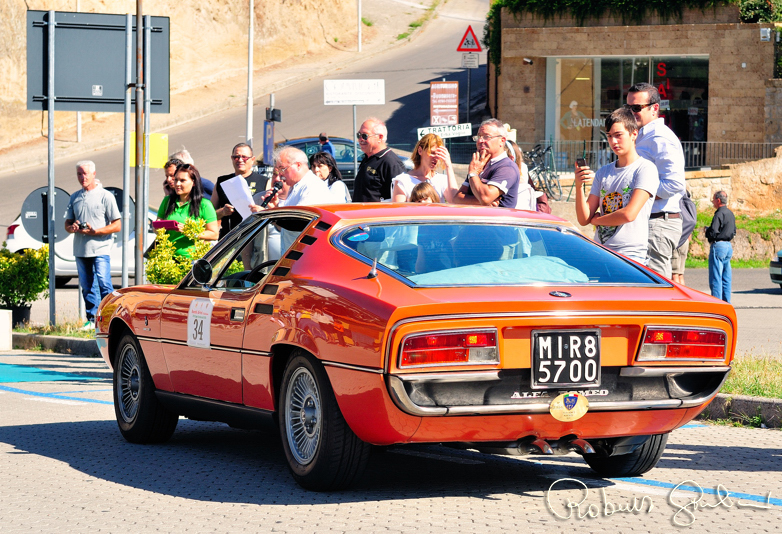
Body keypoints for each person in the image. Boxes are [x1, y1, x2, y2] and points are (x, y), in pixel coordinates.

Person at [574, 107, 659, 265]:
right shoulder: (603, 172)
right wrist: (579, 186)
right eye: (609, 136)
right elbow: (584, 218)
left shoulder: (645, 169)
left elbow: (628, 214)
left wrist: (598, 220)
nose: (613, 141)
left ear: (634, 134)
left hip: (630, 255)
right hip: (601, 252)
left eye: (618, 135)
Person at [626, 82, 686, 278]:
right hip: (649, 221)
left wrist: (642, 195)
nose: (631, 113)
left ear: (655, 108)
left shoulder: (660, 138)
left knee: (656, 286)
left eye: (636, 108)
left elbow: (675, 184)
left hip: (658, 222)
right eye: (628, 108)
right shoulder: (642, 136)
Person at [64, 160, 121, 330]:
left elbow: (117, 225)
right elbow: (67, 225)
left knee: (104, 283)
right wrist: (72, 227)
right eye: (79, 174)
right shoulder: (74, 197)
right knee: (87, 286)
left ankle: (110, 319)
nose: (83, 177)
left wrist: (95, 231)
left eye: (85, 173)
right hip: (81, 250)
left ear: (94, 174)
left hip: (101, 248)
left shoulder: (106, 196)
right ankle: (92, 319)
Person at [453, 119, 519, 208]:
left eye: (486, 137)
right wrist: (480, 202)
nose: (480, 141)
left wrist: (473, 174)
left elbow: (485, 197)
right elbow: (457, 199)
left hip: (496, 221)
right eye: (479, 136)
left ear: (502, 141)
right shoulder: (479, 166)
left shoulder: (507, 167)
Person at [156, 164, 219, 257]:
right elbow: (157, 227)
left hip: (192, 260)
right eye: (176, 180)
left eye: (182, 180)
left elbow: (214, 235)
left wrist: (190, 232)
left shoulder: (204, 205)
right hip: (168, 260)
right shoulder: (168, 201)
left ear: (193, 182)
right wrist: (159, 227)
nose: (177, 184)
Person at [213, 143, 269, 239]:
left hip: (253, 237)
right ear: (232, 158)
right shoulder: (222, 181)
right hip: (228, 238)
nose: (240, 160)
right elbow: (209, 216)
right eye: (236, 157)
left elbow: (271, 212)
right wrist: (222, 212)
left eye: (244, 157)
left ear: (252, 159)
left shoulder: (264, 181)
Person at [391, 133, 459, 203]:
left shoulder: (442, 180)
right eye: (432, 153)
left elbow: (455, 203)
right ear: (420, 150)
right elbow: (399, 211)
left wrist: (449, 166)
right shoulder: (403, 181)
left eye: (438, 154)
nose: (436, 157)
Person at [352, 117, 406, 202]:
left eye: (365, 136)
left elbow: (399, 200)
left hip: (377, 214)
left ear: (380, 137)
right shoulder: (367, 158)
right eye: (359, 135)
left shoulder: (391, 162)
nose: (360, 139)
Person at [706, 190, 736, 303]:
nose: (712, 202)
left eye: (713, 199)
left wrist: (707, 231)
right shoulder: (730, 213)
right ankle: (726, 302)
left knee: (716, 278)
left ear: (718, 200)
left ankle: (717, 303)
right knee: (726, 278)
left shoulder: (719, 213)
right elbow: (733, 231)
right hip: (728, 246)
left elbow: (713, 231)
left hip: (718, 246)